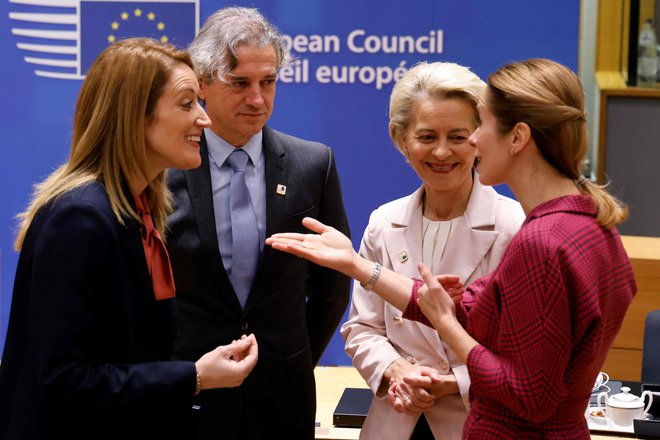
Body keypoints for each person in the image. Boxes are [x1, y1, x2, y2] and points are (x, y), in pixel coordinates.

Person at [266, 58, 637, 439]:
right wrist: (359, 267)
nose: (467, 144)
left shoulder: (537, 236)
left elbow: (528, 391)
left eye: (474, 130)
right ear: (400, 139)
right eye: (427, 137)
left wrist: (450, 355)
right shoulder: (587, 223)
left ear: (518, 136)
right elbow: (458, 308)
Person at [0, 38, 258, 440]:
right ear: (136, 115)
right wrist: (193, 377)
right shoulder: (80, 218)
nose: (204, 120)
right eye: (187, 103)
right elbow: (64, 382)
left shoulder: (138, 210)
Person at [165, 7, 351, 439]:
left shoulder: (312, 164)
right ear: (203, 83)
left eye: (268, 82)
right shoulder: (162, 169)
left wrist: (292, 357)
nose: (257, 98)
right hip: (188, 391)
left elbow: (331, 288)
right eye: (240, 83)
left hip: (282, 396)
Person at [339, 62, 525, 440]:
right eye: (426, 136)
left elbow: (521, 354)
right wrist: (396, 370)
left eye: (458, 136)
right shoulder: (383, 221)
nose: (442, 151)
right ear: (400, 138)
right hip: (395, 418)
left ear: (481, 137)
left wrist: (455, 380)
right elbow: (361, 328)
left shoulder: (513, 225)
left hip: (477, 423)